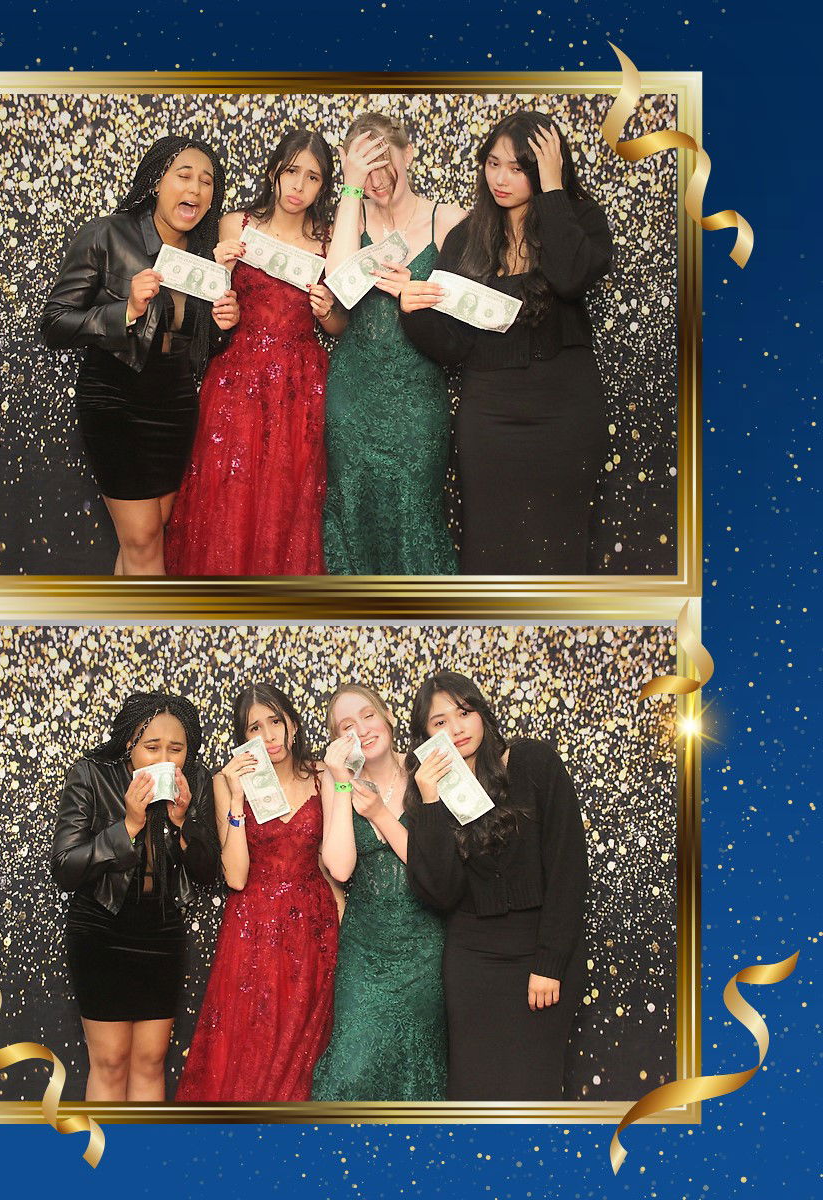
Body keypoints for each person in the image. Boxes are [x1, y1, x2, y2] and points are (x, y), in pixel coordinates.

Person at [397, 111, 614, 573]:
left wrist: (552, 190)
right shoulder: (466, 237)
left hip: (566, 414)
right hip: (489, 417)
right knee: (490, 553)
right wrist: (413, 311)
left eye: (517, 168)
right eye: (493, 164)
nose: (500, 178)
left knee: (560, 556)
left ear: (544, 167)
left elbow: (570, 278)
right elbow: (452, 346)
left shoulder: (581, 220)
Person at [42, 135, 234, 575]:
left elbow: (198, 343)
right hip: (116, 399)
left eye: (206, 181)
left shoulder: (204, 254)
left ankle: (118, 618)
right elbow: (54, 324)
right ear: (156, 181)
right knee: (144, 539)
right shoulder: (107, 233)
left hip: (175, 404)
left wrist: (224, 323)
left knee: (145, 537)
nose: (195, 188)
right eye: (183, 175)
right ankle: (155, 621)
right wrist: (125, 311)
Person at [165, 129, 345, 577]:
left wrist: (326, 311)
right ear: (273, 172)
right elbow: (208, 309)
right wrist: (219, 271)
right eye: (292, 171)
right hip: (238, 378)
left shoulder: (329, 241)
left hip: (299, 386)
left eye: (313, 177)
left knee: (285, 499)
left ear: (323, 187)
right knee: (229, 493)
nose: (299, 185)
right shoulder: (235, 225)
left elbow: (340, 326)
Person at [403, 670, 590, 1099]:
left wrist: (549, 963)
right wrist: (431, 801)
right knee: (473, 1091)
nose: (457, 728)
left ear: (482, 714)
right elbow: (440, 892)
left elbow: (569, 869)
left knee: (534, 1092)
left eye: (464, 712)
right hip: (473, 963)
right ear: (426, 736)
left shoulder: (534, 762)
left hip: (540, 954)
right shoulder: (428, 793)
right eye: (440, 722)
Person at [177, 683, 353, 1101]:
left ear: (292, 724)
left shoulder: (322, 774)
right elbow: (236, 876)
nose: (269, 735)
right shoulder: (226, 782)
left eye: (275, 721)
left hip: (313, 928)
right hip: (253, 928)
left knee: (305, 1052)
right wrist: (237, 800)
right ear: (243, 738)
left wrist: (345, 926)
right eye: (254, 727)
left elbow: (331, 865)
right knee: (250, 1050)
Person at [50, 692, 218, 1101]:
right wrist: (127, 825)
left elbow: (207, 871)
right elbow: (66, 867)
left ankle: (145, 1144)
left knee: (150, 1061)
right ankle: (104, 1144)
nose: (165, 758)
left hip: (161, 932)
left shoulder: (196, 780)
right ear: (130, 743)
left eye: (176, 749)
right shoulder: (92, 774)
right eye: (152, 747)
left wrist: (182, 822)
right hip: (101, 928)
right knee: (109, 1061)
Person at [321, 113, 466, 575]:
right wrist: (351, 188)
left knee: (414, 514)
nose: (378, 180)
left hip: (418, 395)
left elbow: (469, 316)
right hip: (353, 395)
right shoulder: (353, 215)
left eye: (385, 164)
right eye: (365, 170)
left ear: (409, 154)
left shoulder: (449, 220)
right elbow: (341, 286)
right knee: (352, 511)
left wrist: (417, 294)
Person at [309, 684, 447, 1101]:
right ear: (337, 740)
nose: (362, 730)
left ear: (387, 715)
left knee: (415, 1069)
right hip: (365, 949)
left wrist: (381, 813)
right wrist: (341, 784)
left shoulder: (425, 771)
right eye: (346, 726)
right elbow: (340, 867)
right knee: (350, 1071)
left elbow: (438, 869)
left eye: (368, 715)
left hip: (425, 945)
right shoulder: (338, 781)